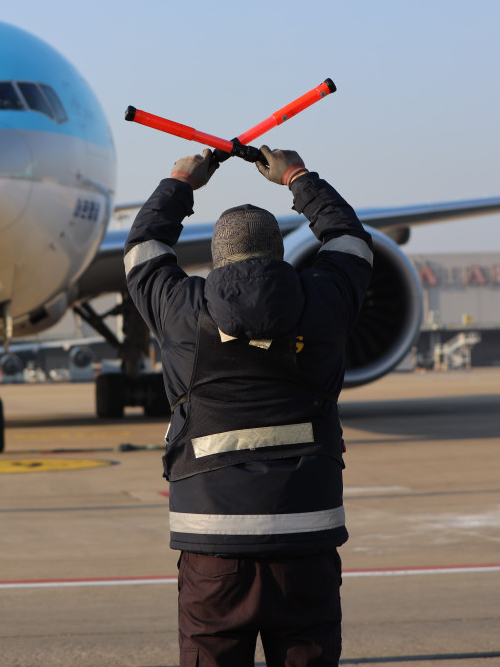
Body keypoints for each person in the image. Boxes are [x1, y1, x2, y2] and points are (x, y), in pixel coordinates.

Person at [124, 143, 373, 667]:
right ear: (278, 253)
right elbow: (349, 240)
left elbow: (144, 247)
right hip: (306, 536)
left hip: (212, 542)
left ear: (216, 258)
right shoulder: (323, 302)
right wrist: (297, 177)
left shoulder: (180, 308)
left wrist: (181, 182)